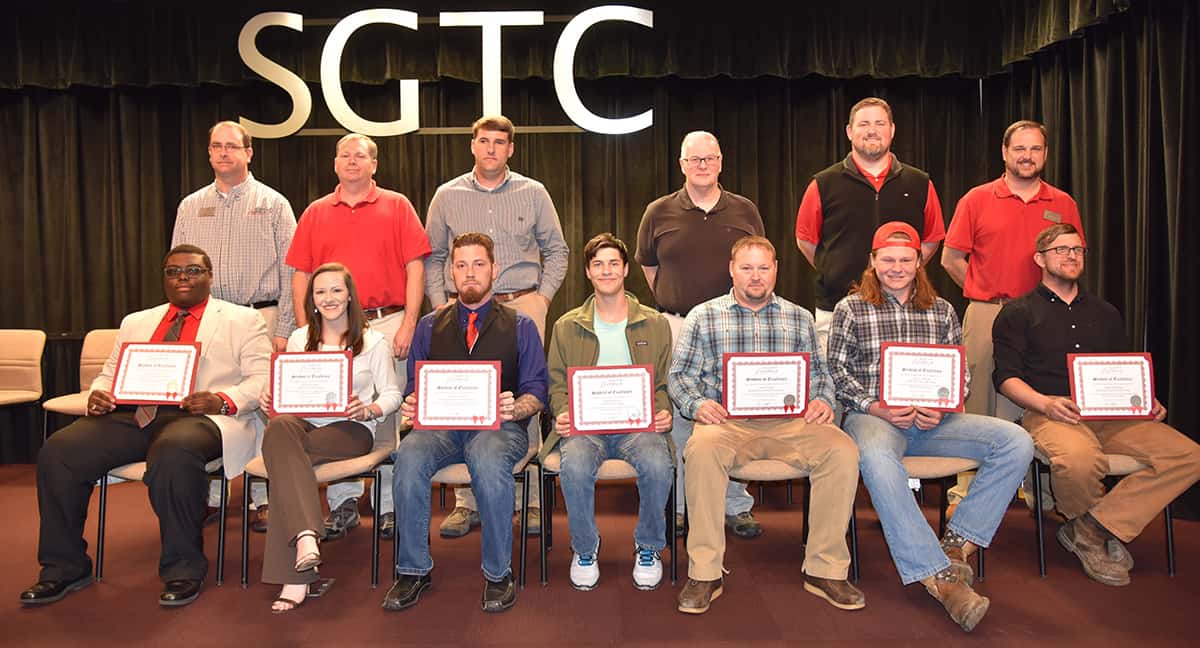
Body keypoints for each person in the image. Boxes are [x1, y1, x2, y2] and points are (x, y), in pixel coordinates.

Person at [21, 245, 271, 607]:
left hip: (204, 417)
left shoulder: (242, 320)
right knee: (60, 451)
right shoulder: (136, 321)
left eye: (193, 271)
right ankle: (64, 567)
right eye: (173, 272)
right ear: (164, 279)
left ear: (210, 276)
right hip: (136, 415)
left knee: (173, 451)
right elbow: (108, 374)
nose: (182, 277)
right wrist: (99, 393)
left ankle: (183, 569)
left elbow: (261, 377)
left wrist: (222, 398)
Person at [827, 222, 1032, 632]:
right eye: (888, 259)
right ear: (872, 262)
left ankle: (957, 542)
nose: (897, 267)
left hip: (934, 421)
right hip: (874, 419)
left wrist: (943, 406)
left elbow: (961, 376)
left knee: (1016, 441)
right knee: (878, 460)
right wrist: (876, 406)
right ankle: (937, 576)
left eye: (906, 259)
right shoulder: (850, 309)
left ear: (919, 262)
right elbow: (835, 371)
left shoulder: (941, 310)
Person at [994, 223, 1200, 586]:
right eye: (1061, 249)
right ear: (1040, 258)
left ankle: (1092, 528)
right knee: (1078, 460)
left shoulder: (1107, 312)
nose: (1071, 255)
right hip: (1051, 414)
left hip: (1112, 415)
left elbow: (1123, 368)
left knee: (1190, 456)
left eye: (1078, 250)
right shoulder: (1017, 313)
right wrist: (1045, 403)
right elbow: (1006, 379)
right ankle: (1096, 530)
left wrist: (1145, 398)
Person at [670, 236, 863, 615]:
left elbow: (821, 375)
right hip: (726, 423)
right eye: (747, 268)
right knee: (701, 450)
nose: (755, 276)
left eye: (763, 268)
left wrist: (823, 399)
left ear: (776, 270)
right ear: (732, 270)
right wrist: (699, 404)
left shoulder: (799, 317)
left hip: (791, 423)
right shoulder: (703, 315)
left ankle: (826, 569)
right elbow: (679, 377)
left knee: (841, 450)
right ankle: (705, 572)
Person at [385, 233, 548, 613]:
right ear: (450, 274)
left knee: (488, 458)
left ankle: (497, 573)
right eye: (461, 265)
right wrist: (413, 402)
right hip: (440, 428)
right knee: (407, 455)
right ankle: (412, 569)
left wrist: (517, 407)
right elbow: (415, 385)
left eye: (478, 264)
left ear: (494, 270)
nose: (469, 273)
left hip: (500, 428)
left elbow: (537, 390)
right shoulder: (428, 326)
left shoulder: (521, 325)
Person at [424, 115, 568, 537]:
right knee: (463, 403)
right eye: (483, 141)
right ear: (472, 146)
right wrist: (440, 308)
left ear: (511, 149)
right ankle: (467, 502)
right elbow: (433, 257)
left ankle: (533, 500)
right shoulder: (447, 195)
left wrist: (541, 298)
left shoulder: (533, 192)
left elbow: (556, 250)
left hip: (521, 304)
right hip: (461, 310)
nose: (491, 148)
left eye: (499, 143)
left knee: (527, 397)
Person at [286, 133, 430, 542]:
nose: (352, 162)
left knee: (386, 412)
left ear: (374, 164)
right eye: (345, 156)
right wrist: (304, 331)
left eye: (360, 156)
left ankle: (387, 506)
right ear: (335, 165)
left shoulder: (397, 205)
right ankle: (345, 502)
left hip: (386, 322)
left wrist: (409, 324)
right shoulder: (315, 212)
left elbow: (415, 266)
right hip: (325, 327)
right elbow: (301, 274)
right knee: (329, 412)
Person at [941, 120, 1084, 509]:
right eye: (1019, 148)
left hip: (1047, 318)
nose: (1027, 156)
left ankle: (1038, 489)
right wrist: (982, 288)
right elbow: (951, 258)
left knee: (1040, 399)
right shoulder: (977, 199)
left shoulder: (1063, 203)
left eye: (1035, 149)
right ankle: (970, 485)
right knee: (979, 401)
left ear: (1045, 155)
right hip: (990, 312)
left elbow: (1071, 258)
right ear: (1004, 153)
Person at [636, 130, 765, 538]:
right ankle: (680, 503)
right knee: (681, 414)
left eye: (710, 158)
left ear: (721, 161)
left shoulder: (745, 210)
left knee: (735, 411)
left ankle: (735, 503)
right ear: (682, 165)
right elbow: (649, 269)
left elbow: (756, 261)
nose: (703, 165)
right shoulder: (658, 211)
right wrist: (676, 301)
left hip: (736, 324)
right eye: (695, 160)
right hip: (677, 323)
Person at [257, 263, 401, 612]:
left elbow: (393, 394)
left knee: (284, 461)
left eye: (336, 290)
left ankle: (296, 573)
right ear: (312, 299)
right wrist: (269, 393)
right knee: (278, 429)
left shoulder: (373, 341)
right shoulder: (297, 338)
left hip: (351, 429)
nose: (329, 298)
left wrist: (368, 410)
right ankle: (306, 536)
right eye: (320, 292)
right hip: (302, 425)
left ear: (349, 295)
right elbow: (285, 386)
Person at [173, 120, 292, 531]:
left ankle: (262, 494)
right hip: (208, 317)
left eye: (232, 146)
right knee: (209, 398)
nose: (224, 153)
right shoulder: (190, 206)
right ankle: (213, 492)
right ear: (209, 153)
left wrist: (286, 328)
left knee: (260, 404)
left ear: (248, 153)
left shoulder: (273, 203)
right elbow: (178, 267)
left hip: (262, 315)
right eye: (217, 146)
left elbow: (292, 269)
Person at [543, 233, 674, 591]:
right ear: (587, 272)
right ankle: (585, 548)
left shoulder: (656, 324)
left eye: (613, 263)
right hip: (586, 427)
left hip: (639, 427)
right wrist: (563, 412)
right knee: (577, 464)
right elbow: (556, 384)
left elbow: (662, 383)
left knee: (658, 462)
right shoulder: (566, 326)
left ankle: (647, 546)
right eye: (598, 264)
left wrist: (663, 412)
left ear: (626, 269)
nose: (606, 270)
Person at [794, 97, 945, 352]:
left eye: (879, 123)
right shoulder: (823, 183)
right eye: (864, 124)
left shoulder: (920, 183)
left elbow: (931, 239)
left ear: (892, 130)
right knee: (835, 386)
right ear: (849, 131)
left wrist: (900, 274)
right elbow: (806, 241)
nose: (872, 130)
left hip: (904, 310)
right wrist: (835, 270)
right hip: (834, 307)